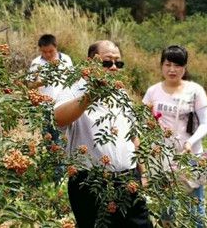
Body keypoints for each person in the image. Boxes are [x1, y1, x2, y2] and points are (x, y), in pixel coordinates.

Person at [54, 40, 152, 228]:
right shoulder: (73, 89)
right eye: (107, 63)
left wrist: (143, 173)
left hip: (128, 180)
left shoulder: (121, 93)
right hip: (91, 184)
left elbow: (134, 135)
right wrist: (90, 95)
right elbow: (58, 118)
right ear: (90, 63)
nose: (114, 67)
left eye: (118, 63)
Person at [142, 45, 207, 227]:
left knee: (195, 209)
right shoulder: (152, 92)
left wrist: (191, 142)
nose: (172, 70)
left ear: (185, 67)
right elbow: (143, 122)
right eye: (168, 64)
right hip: (163, 160)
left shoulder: (195, 90)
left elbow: (205, 123)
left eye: (178, 65)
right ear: (161, 66)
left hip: (190, 158)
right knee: (168, 208)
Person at [29, 33, 73, 100]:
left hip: (65, 101)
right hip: (45, 103)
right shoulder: (36, 63)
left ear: (56, 47)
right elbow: (30, 85)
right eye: (44, 52)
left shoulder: (66, 59)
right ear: (40, 49)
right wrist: (40, 83)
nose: (48, 54)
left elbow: (72, 80)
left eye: (51, 51)